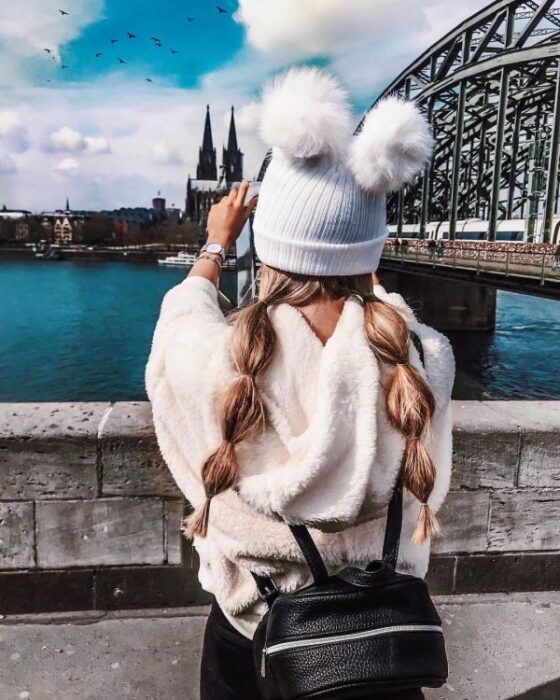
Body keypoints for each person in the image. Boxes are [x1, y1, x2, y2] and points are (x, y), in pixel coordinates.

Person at [146, 66, 455, 700]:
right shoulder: (423, 357)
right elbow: (383, 305)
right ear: (370, 250)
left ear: (266, 249)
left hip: (255, 627)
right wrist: (360, 262)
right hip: (380, 639)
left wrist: (213, 247)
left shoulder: (219, 358)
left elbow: (181, 318)